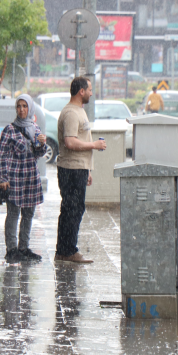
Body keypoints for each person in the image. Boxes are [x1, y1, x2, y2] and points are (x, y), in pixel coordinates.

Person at [55, 77, 107, 264]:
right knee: (72, 209)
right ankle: (68, 250)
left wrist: (88, 170)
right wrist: (94, 145)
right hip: (71, 169)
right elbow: (70, 142)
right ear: (81, 91)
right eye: (90, 90)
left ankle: (64, 249)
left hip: (79, 168)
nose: (92, 93)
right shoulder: (71, 113)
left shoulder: (78, 111)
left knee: (73, 208)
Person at [0, 94, 46, 263]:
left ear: (30, 108)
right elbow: (2, 155)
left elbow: (39, 154)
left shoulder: (35, 128)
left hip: (31, 177)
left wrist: (41, 144)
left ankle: (23, 248)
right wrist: (3, 178)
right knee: (13, 214)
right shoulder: (9, 130)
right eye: (19, 106)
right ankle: (11, 250)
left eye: (25, 106)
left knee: (29, 214)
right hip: (15, 177)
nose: (21, 109)